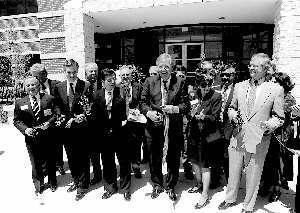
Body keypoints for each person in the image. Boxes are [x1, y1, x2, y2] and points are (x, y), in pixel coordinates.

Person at [218, 53, 285, 213]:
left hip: (259, 138)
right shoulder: (240, 86)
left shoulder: (276, 89)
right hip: (238, 135)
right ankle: (230, 198)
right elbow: (231, 107)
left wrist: (268, 125)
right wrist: (232, 114)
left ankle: (248, 206)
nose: (251, 67)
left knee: (253, 173)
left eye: (256, 65)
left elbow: (279, 117)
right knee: (233, 170)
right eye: (250, 65)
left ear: (265, 69)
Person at [141, 53, 190, 201]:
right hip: (154, 127)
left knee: (173, 157)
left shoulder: (180, 82)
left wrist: (175, 109)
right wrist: (149, 113)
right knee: (154, 157)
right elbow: (142, 102)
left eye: (166, 67)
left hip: (173, 127)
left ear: (172, 68)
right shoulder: (149, 81)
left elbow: (186, 105)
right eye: (160, 66)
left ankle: (170, 185)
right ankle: (157, 184)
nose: (163, 70)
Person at [13, 76, 57, 204]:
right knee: (35, 162)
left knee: (50, 159)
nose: (31, 87)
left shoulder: (48, 98)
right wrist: (25, 129)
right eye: (28, 85)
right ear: (25, 88)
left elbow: (55, 114)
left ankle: (52, 182)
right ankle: (38, 185)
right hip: (31, 138)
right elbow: (17, 120)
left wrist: (49, 123)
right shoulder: (20, 102)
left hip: (48, 136)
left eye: (34, 85)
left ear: (39, 86)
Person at [90, 68, 131, 201]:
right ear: (103, 82)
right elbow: (95, 117)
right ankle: (110, 187)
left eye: (114, 79)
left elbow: (127, 111)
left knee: (124, 162)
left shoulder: (122, 92)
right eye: (109, 80)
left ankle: (125, 188)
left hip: (120, 133)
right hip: (104, 135)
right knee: (107, 162)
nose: (113, 82)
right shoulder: (97, 95)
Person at [54, 59, 90, 201]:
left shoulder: (85, 85)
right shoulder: (59, 86)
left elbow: (90, 105)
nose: (72, 75)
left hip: (81, 128)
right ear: (65, 72)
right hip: (67, 129)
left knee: (82, 157)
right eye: (69, 72)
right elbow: (57, 104)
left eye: (74, 72)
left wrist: (83, 115)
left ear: (78, 70)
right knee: (71, 157)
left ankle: (83, 185)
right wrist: (59, 114)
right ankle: (76, 180)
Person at [187, 67, 222, 209]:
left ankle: (205, 194)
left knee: (205, 165)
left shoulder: (216, 96)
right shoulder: (194, 95)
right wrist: (191, 113)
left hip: (208, 135)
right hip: (195, 134)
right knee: (194, 161)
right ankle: (199, 184)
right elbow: (189, 114)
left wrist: (204, 117)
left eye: (209, 84)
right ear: (198, 85)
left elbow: (215, 117)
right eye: (203, 85)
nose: (206, 88)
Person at [260, 71, 296, 202]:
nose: (272, 84)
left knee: (279, 162)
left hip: (281, 135)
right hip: (270, 133)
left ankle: (277, 188)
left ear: (282, 84)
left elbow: (279, 114)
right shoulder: (273, 95)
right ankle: (267, 184)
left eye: (275, 82)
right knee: (268, 161)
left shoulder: (288, 98)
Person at [30, 63, 66, 176]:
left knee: (57, 144)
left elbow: (62, 101)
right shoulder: (34, 86)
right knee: (43, 146)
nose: (34, 79)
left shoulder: (56, 85)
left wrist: (60, 114)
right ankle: (46, 168)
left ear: (44, 74)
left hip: (55, 119)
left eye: (36, 76)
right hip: (41, 121)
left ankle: (59, 165)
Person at [211, 67, 236, 187]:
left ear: (233, 76)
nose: (225, 77)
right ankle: (215, 180)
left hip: (229, 127)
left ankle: (229, 182)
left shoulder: (237, 91)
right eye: (223, 75)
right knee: (215, 154)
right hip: (215, 127)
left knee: (227, 156)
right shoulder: (215, 89)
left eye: (228, 75)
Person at [119, 65, 144, 179]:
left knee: (136, 144)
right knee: (124, 145)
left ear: (131, 76)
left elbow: (141, 100)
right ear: (120, 76)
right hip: (123, 121)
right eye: (123, 75)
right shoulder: (117, 87)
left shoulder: (138, 86)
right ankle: (126, 167)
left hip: (136, 120)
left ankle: (136, 167)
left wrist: (137, 111)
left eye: (127, 75)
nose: (125, 77)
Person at [84, 62, 103, 186]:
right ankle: (96, 175)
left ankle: (106, 174)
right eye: (90, 71)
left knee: (105, 152)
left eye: (95, 71)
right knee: (92, 153)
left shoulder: (103, 84)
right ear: (86, 73)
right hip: (87, 125)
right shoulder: (82, 86)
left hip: (102, 123)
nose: (93, 73)